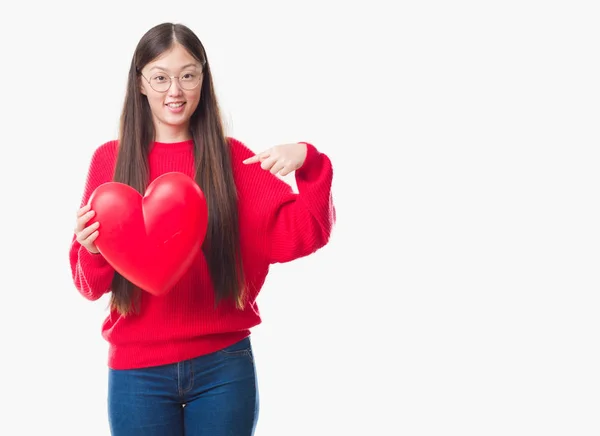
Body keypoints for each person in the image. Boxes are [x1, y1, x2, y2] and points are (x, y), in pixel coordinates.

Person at [69, 22, 335, 436]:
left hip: (223, 368)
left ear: (203, 80)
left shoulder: (232, 160)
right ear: (140, 84)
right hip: (137, 375)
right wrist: (92, 250)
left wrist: (310, 161)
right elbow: (89, 285)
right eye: (160, 77)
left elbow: (304, 232)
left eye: (188, 75)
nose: (174, 90)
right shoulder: (110, 161)